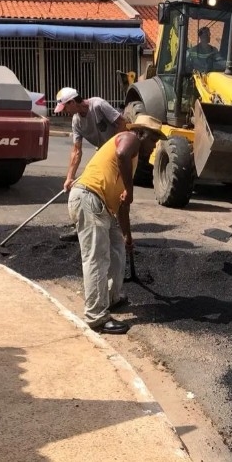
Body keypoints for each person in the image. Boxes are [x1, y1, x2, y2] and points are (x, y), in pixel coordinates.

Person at [68, 115, 166, 334]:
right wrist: (130, 191)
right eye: (153, 140)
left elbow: (123, 205)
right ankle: (96, 317)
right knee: (96, 259)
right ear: (142, 134)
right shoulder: (130, 139)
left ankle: (111, 297)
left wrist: (127, 235)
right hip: (88, 198)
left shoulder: (128, 164)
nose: (153, 146)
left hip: (103, 206)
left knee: (117, 248)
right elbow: (121, 156)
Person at [55, 87, 127, 240]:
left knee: (113, 190)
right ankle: (82, 225)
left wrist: (115, 149)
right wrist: (69, 177)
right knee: (87, 184)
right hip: (101, 153)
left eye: (65, 107)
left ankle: (117, 230)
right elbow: (76, 151)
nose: (64, 111)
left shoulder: (98, 105)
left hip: (117, 152)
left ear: (73, 102)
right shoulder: (76, 122)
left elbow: (122, 123)